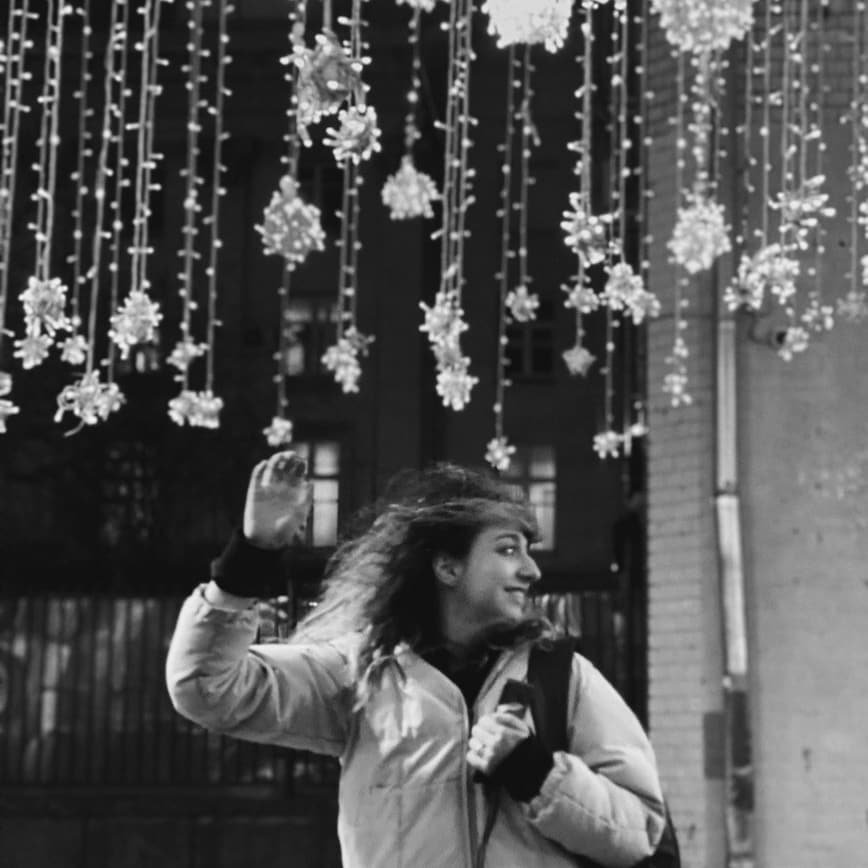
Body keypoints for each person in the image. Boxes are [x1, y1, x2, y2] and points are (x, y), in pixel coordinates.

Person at [166, 451, 666, 867]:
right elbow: (209, 689)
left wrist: (535, 773)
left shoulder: (562, 677)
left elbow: (640, 832)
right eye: (508, 550)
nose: (532, 570)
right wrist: (250, 557)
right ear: (448, 566)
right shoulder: (362, 674)